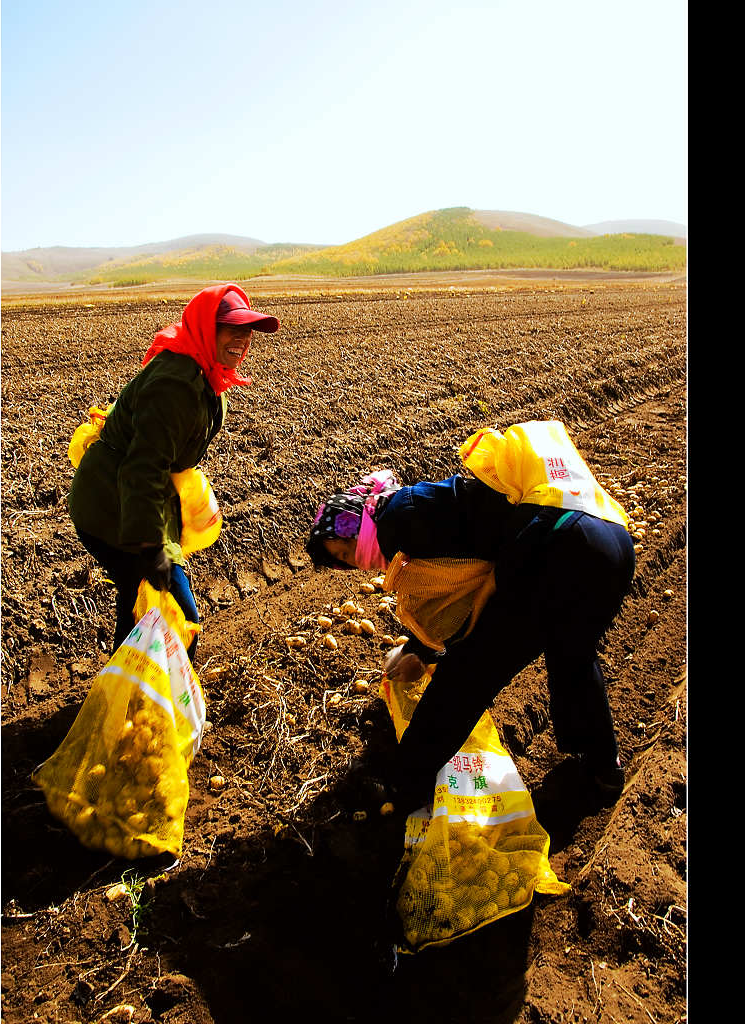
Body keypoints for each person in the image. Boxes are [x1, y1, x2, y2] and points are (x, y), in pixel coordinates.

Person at [305, 463, 635, 815]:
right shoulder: (406, 511)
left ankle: (401, 781)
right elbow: (465, 580)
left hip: (558, 550)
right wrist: (421, 648)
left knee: (467, 674)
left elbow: (460, 594)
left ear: (357, 518)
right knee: (574, 658)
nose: (354, 558)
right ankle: (603, 767)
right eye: (344, 560)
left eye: (346, 544)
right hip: (609, 544)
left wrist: (426, 649)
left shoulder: (398, 521)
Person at [68, 282, 280, 661]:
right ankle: (149, 703)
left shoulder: (206, 372)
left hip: (134, 501)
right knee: (180, 617)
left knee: (140, 604)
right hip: (110, 504)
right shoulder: (176, 383)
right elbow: (143, 466)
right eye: (233, 328)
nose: (243, 339)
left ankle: (127, 695)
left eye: (248, 331)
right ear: (204, 328)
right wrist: (152, 547)